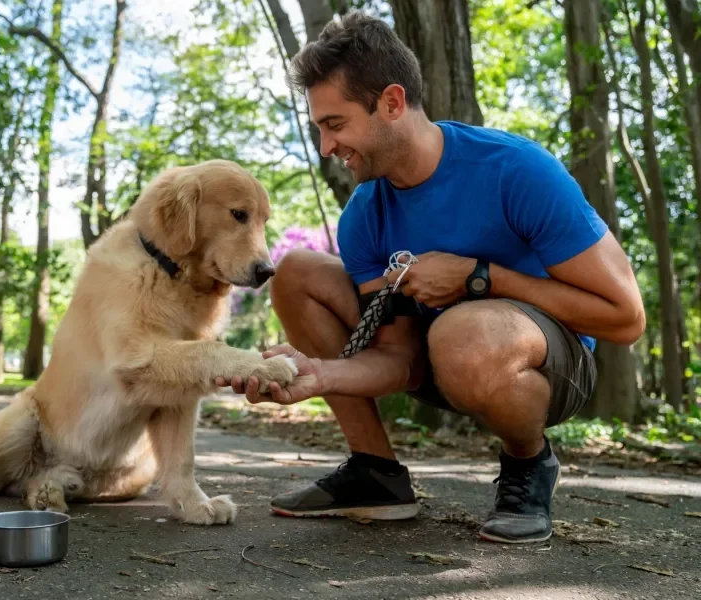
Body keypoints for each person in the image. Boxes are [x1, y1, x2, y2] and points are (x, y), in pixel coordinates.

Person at [216, 11, 645, 544]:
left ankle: (528, 465)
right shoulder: (365, 213)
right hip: (439, 356)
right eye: (320, 128)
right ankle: (376, 473)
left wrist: (482, 279)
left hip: (549, 366)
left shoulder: (516, 170)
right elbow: (401, 359)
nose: (327, 147)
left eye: (335, 124)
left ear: (392, 103)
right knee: (297, 272)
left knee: (464, 334)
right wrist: (319, 375)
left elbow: (625, 318)